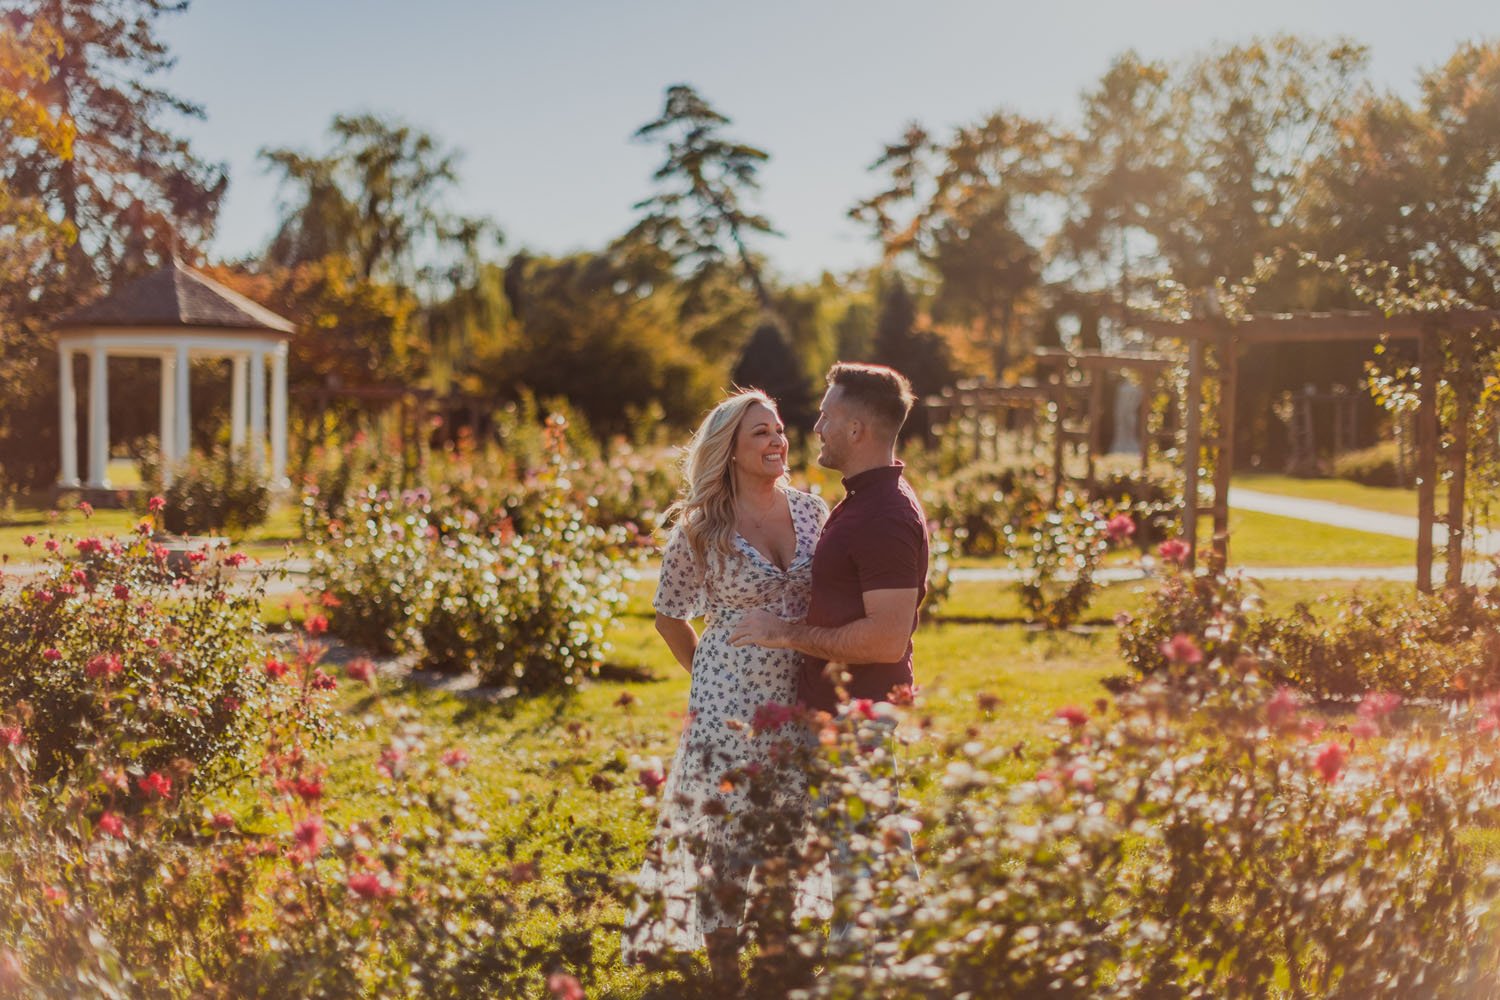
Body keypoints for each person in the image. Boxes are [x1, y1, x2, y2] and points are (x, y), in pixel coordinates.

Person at [623, 389, 830, 987]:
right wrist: (710, 681)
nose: (777, 441)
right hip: (727, 700)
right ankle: (724, 970)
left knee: (790, 826)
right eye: (760, 433)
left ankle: (775, 958)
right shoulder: (701, 530)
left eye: (779, 430)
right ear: (731, 451)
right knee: (730, 834)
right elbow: (669, 616)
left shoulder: (813, 511)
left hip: (798, 689)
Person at [729, 362, 928, 714]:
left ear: (855, 430)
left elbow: (885, 641)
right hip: (832, 715)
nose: (817, 428)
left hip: (856, 721)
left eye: (825, 417)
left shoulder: (884, 517)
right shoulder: (864, 500)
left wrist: (784, 633)